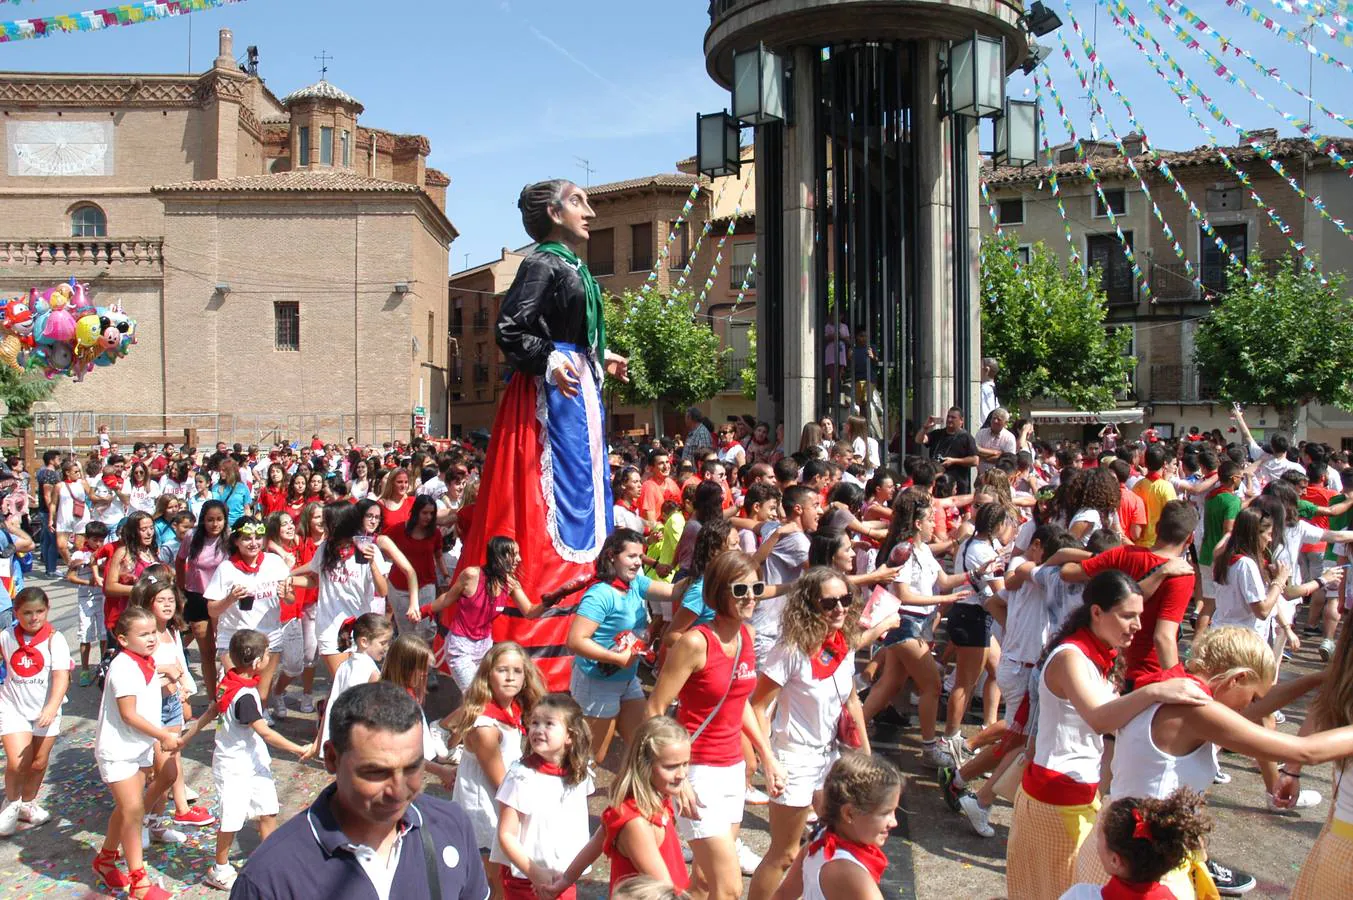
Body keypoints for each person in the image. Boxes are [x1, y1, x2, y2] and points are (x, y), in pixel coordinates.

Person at [457, 181, 627, 637]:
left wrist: (600, 355)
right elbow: (510, 328)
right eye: (578, 202)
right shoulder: (542, 262)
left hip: (578, 389)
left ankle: (590, 605)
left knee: (588, 485)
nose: (589, 211)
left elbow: (567, 327)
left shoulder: (572, 267)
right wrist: (552, 357)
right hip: (553, 399)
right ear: (553, 213)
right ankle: (549, 621)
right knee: (556, 492)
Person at [1074, 626, 1353, 897]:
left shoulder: (1174, 688)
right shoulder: (1196, 712)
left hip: (1119, 844)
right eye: (1251, 695)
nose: (1250, 706)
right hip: (1140, 865)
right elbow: (1304, 751)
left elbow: (1256, 709)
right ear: (1236, 678)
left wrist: (1320, 678)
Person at [1003, 571, 1210, 899]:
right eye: (1128, 616)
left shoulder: (1097, 652)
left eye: (1140, 616)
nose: (1138, 626)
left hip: (1077, 794)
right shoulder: (1071, 657)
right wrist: (1156, 691)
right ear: (1096, 612)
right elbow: (1100, 719)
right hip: (1056, 797)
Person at [227, 680, 490, 898]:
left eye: (412, 768)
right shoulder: (269, 877)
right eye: (376, 772)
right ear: (331, 758)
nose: (398, 791)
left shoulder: (451, 826)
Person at [647, 551, 781, 895]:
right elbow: (656, 708)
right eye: (740, 590)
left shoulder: (746, 635)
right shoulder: (695, 642)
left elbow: (741, 705)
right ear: (719, 591)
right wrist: (678, 776)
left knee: (705, 881)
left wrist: (766, 754)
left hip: (732, 771)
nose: (750, 596)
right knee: (730, 886)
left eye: (756, 587)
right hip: (697, 770)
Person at [748, 568, 869, 900]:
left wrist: (866, 756)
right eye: (829, 603)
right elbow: (757, 705)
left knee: (832, 838)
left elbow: (852, 700)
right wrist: (768, 761)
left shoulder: (843, 644)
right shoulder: (790, 651)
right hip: (795, 758)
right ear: (809, 605)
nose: (840, 609)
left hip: (829, 758)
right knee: (784, 852)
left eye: (845, 600)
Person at [178, 630, 315, 890]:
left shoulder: (228, 682)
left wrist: (184, 739)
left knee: (267, 810)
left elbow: (210, 712)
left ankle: (271, 860)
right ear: (256, 663)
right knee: (231, 818)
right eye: (266, 655)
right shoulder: (246, 697)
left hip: (252, 761)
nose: (268, 659)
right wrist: (298, 750)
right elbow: (264, 732)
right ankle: (219, 868)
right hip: (234, 765)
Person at [862, 490, 974, 767]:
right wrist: (943, 599)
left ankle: (850, 728)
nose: (934, 524)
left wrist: (977, 573)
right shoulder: (904, 550)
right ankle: (928, 748)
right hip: (905, 623)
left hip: (918, 624)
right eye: (928, 520)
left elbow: (946, 580)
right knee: (932, 686)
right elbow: (904, 595)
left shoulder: (922, 548)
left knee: (891, 684)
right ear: (916, 523)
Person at [566, 528, 684, 763]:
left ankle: (632, 796)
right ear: (612, 556)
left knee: (643, 746)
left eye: (640, 557)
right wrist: (618, 659)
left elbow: (673, 591)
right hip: (597, 682)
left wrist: (703, 571)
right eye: (631, 556)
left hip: (627, 679)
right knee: (589, 758)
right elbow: (575, 641)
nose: (638, 562)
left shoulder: (636, 583)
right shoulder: (601, 594)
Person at [91, 605, 183, 899]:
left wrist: (163, 669)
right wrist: (163, 736)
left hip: (138, 749)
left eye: (153, 632)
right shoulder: (123, 668)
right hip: (117, 751)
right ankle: (139, 882)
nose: (151, 638)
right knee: (133, 811)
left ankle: (105, 860)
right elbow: (129, 714)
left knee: (126, 809)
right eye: (142, 634)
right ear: (122, 639)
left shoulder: (145, 662)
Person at [551, 716, 693, 895]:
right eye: (671, 767)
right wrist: (564, 881)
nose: (682, 774)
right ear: (645, 765)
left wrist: (565, 880)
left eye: (685, 764)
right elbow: (666, 892)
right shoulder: (636, 823)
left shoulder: (652, 802)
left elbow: (595, 844)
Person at [449, 642, 547, 898]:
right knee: (495, 881)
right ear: (488, 674)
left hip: (500, 805)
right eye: (503, 670)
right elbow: (501, 782)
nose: (511, 677)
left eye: (517, 671)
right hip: (487, 811)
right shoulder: (486, 726)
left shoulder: (512, 710)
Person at [130, 577, 213, 835]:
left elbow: (181, 665)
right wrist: (163, 670)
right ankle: (139, 822)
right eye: (160, 600)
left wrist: (185, 694)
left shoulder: (173, 631)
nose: (167, 605)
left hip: (172, 703)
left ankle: (176, 812)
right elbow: (136, 672)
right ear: (148, 603)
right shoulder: (145, 633)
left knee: (173, 759)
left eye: (171, 600)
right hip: (151, 708)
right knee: (160, 770)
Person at [493, 693, 594, 900]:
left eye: (549, 724)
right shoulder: (521, 776)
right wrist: (535, 873)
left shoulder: (580, 775)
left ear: (570, 736)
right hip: (525, 878)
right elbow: (506, 835)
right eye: (535, 723)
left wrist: (574, 870)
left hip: (563, 877)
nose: (538, 729)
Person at [771, 753, 903, 900]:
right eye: (886, 813)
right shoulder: (852, 874)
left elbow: (783, 894)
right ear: (849, 813)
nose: (894, 822)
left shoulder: (819, 839)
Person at [0, 588, 71, 836]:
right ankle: (11, 803)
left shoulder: (55, 639)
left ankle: (27, 804)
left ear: (47, 610)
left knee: (39, 762)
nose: (34, 618)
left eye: (39, 611)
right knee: (17, 762)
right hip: (13, 706)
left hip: (46, 710)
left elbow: (61, 677)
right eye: (27, 613)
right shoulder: (6, 636)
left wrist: (52, 707)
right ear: (16, 612)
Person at [292, 503, 391, 676]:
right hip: (330, 629)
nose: (324, 527)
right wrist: (289, 580)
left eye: (327, 522)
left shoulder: (369, 549)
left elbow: (383, 591)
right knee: (345, 680)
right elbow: (314, 581)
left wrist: (372, 563)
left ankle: (327, 703)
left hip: (361, 629)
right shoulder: (325, 549)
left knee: (359, 683)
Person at [431, 537, 542, 692]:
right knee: (474, 696)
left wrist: (551, 600)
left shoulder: (509, 583)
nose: (519, 559)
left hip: (485, 648)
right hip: (460, 646)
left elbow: (530, 611)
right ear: (499, 556)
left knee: (483, 696)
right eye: (514, 554)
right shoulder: (471, 575)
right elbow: (448, 598)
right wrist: (424, 610)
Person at [1059, 789, 1212, 900]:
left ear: (1115, 860)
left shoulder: (1081, 895)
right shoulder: (1177, 896)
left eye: (1099, 836)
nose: (1097, 841)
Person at [204, 516, 291, 706]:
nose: (253, 543)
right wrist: (230, 599)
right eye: (246, 538)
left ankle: (258, 724)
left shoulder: (274, 562)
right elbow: (212, 610)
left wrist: (286, 595)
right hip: (234, 639)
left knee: (261, 696)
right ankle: (227, 729)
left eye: (258, 537)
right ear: (236, 541)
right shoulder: (226, 569)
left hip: (269, 637)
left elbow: (290, 599)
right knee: (239, 692)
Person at [316, 613, 392, 753]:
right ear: (364, 642)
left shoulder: (344, 666)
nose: (387, 647)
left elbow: (332, 702)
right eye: (383, 643)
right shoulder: (371, 671)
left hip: (342, 734)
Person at [176, 500, 229, 695]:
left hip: (223, 600)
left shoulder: (230, 539)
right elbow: (180, 559)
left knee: (225, 650)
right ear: (203, 521)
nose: (215, 524)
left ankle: (228, 692)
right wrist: (181, 589)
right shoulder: (191, 536)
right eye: (210, 520)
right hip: (197, 597)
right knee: (207, 652)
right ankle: (212, 698)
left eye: (219, 520)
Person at [66, 520, 110, 687]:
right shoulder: (79, 555)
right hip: (86, 598)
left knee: (104, 634)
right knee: (85, 634)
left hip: (104, 597)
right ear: (87, 538)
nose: (98, 543)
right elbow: (70, 576)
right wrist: (88, 582)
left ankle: (103, 665)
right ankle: (84, 669)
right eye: (95, 540)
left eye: (101, 540)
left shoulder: (105, 552)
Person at [916, 407, 980, 494]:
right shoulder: (937, 434)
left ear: (961, 420)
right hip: (936, 484)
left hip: (957, 487)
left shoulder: (966, 437)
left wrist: (954, 461)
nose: (949, 420)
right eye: (948, 417)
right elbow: (919, 440)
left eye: (953, 417)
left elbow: (975, 461)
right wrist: (925, 427)